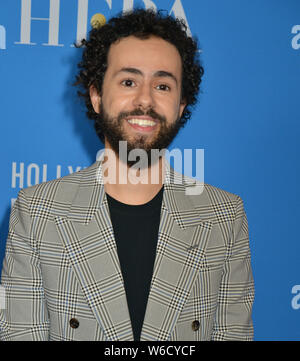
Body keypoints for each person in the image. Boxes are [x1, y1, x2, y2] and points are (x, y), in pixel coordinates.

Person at [0, 8, 254, 341]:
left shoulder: (224, 216)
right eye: (129, 81)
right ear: (96, 95)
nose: (145, 100)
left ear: (180, 106)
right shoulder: (37, 212)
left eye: (163, 85)